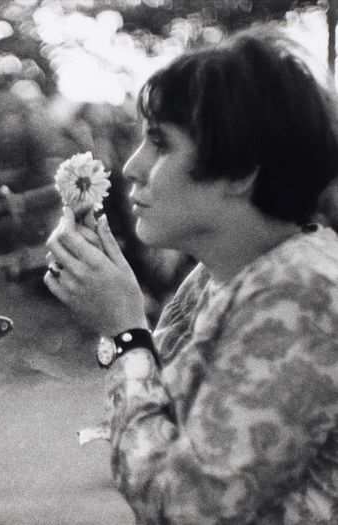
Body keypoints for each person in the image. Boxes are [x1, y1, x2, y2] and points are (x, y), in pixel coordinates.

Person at [44, 26, 338, 524]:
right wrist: (116, 316)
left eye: (160, 143)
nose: (133, 167)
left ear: (242, 170)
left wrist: (123, 334)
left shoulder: (302, 291)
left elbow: (188, 508)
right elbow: (160, 418)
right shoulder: (218, 275)